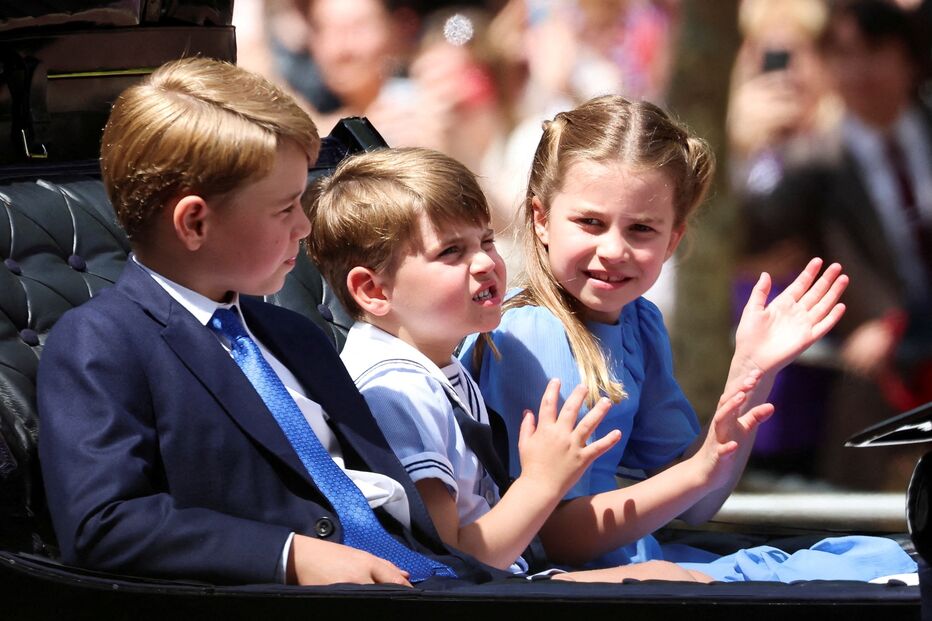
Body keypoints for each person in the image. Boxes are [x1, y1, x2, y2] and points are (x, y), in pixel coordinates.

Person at [36, 57, 506, 588]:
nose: (303, 226)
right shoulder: (103, 343)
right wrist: (290, 555)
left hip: (432, 580)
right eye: (284, 209)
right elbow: (104, 522)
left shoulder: (293, 337)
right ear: (195, 222)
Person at [463, 95, 915, 582]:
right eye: (590, 222)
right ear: (541, 219)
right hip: (560, 582)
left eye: (641, 229)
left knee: (875, 560)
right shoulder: (533, 333)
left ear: (672, 240)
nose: (613, 249)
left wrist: (752, 373)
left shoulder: (639, 322)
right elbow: (554, 536)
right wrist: (700, 469)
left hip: (630, 564)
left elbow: (698, 502)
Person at [307, 145, 761, 582]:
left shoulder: (434, 370)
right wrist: (542, 482)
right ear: (373, 290)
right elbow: (448, 568)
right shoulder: (397, 393)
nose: (484, 263)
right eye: (451, 252)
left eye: (486, 241)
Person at [745, 0, 932, 490]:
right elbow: (743, 238)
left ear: (909, 58)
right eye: (843, 55)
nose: (858, 70)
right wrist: (748, 145)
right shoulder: (812, 160)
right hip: (880, 375)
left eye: (873, 51)